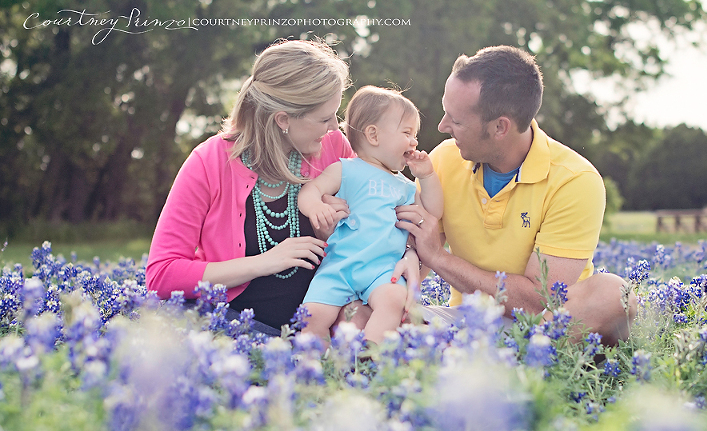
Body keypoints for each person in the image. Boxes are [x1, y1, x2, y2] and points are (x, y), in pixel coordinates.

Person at [146, 40, 416, 336]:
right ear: (283, 119)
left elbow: (388, 207)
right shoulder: (209, 162)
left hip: (322, 329)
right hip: (233, 329)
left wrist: (410, 254)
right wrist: (263, 263)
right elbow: (163, 273)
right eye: (324, 118)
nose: (334, 128)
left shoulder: (334, 149)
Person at [396, 46, 637, 346]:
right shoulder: (442, 162)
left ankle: (501, 365)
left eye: (456, 120)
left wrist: (439, 257)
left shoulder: (575, 180)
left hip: (545, 330)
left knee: (613, 294)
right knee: (373, 313)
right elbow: (414, 252)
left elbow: (539, 302)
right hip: (466, 322)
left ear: (500, 127)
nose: (442, 127)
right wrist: (406, 258)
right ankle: (492, 367)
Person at [298, 86, 443, 344]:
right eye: (407, 133)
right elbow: (311, 190)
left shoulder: (406, 186)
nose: (414, 141)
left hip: (383, 269)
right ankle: (313, 368)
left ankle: (368, 358)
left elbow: (432, 212)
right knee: (312, 316)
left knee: (394, 300)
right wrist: (315, 207)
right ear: (373, 135)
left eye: (415, 135)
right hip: (340, 265)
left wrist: (427, 177)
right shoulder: (345, 169)